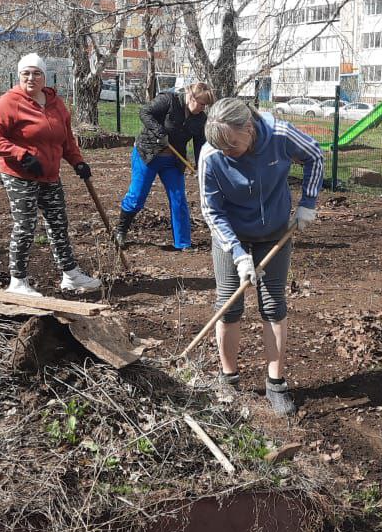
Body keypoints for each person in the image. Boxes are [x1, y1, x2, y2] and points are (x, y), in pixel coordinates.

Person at [200, 98, 324, 416]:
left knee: (273, 304)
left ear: (249, 128)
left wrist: (308, 202)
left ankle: (276, 384)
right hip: (231, 234)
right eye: (222, 148)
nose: (227, 152)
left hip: (274, 234)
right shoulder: (211, 155)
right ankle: (228, 380)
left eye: (232, 145)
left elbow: (314, 154)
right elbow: (211, 210)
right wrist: (238, 255)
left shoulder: (280, 134)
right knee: (228, 305)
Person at [0, 53, 102, 297]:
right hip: (19, 175)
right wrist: (20, 155)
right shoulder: (8, 102)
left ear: (44, 77)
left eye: (37, 73)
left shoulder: (56, 104)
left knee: (58, 224)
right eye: (26, 73)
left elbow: (67, 140)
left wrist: (78, 162)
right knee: (25, 226)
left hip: (49, 175)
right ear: (19, 76)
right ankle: (18, 281)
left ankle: (70, 275)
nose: (31, 78)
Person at [114, 82, 216, 250]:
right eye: (201, 103)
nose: (203, 108)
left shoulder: (200, 119)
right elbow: (145, 112)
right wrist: (159, 132)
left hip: (173, 162)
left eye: (205, 105)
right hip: (148, 155)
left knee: (178, 199)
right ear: (191, 97)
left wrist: (201, 167)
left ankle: (183, 243)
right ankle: (120, 231)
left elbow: (200, 145)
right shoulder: (169, 100)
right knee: (137, 197)